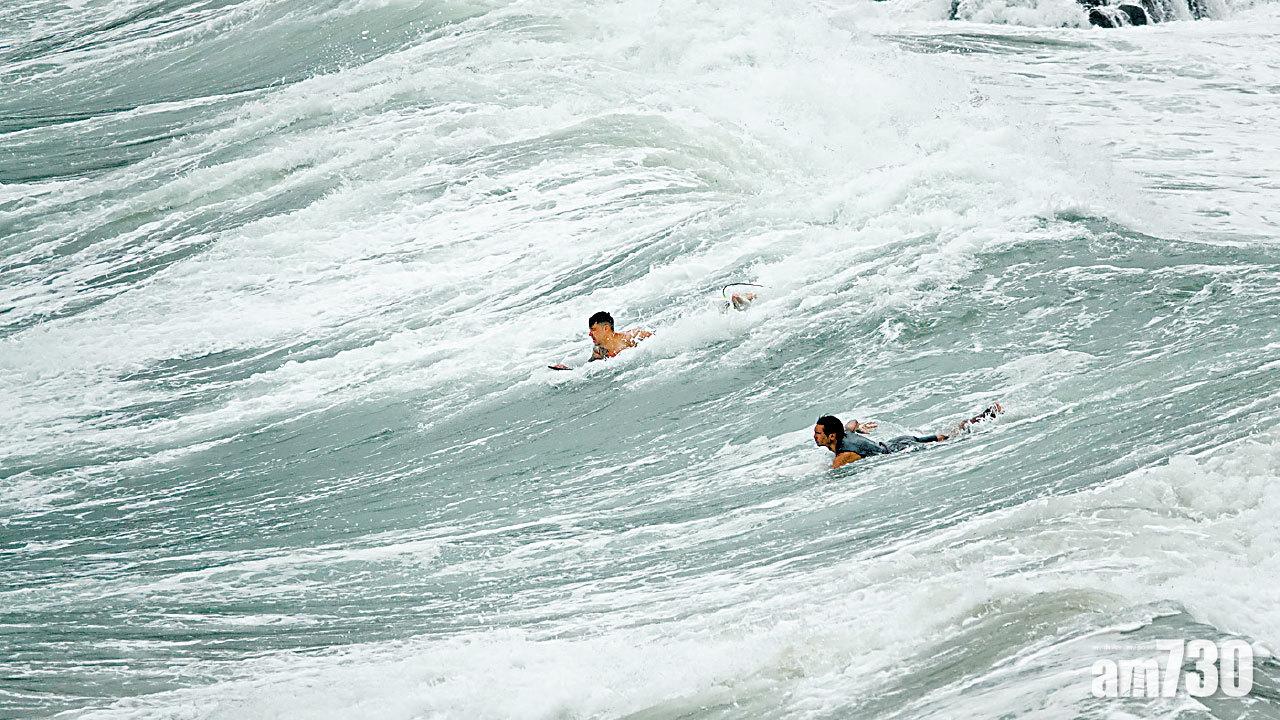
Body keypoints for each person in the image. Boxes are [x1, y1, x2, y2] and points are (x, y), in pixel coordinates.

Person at [813, 403, 1003, 468]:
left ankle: (986, 418)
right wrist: (859, 426)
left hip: (900, 450)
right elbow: (851, 423)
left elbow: (835, 473)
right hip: (896, 443)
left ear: (831, 437)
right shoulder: (844, 433)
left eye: (818, 433)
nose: (815, 436)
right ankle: (986, 415)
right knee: (948, 436)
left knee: (952, 439)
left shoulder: (842, 456)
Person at [548, 311, 652, 370]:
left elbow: (660, 342)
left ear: (606, 328)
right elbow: (585, 370)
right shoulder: (599, 350)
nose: (590, 334)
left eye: (593, 330)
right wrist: (566, 369)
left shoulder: (632, 336)